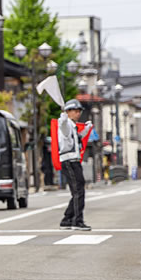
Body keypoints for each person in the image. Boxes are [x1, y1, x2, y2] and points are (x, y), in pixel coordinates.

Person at [59, 99, 93, 231]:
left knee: (77, 191)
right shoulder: (66, 124)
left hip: (73, 160)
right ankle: (77, 221)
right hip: (69, 161)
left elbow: (77, 138)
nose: (78, 114)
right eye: (75, 111)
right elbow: (63, 127)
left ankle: (67, 219)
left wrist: (87, 129)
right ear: (68, 112)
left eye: (79, 111)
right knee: (78, 191)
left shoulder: (72, 125)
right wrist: (63, 117)